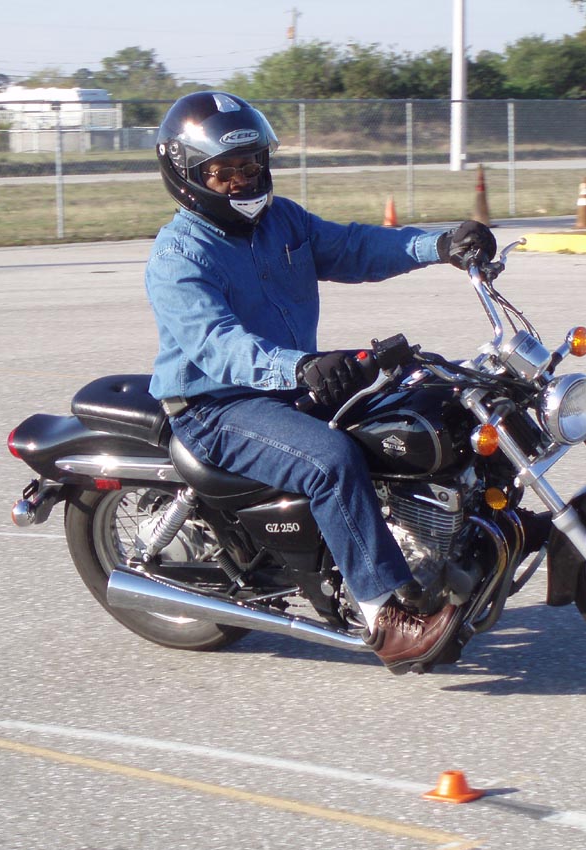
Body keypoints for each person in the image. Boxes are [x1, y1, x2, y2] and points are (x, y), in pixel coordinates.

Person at [145, 91, 496, 672]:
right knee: (331, 462)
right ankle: (385, 617)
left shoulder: (282, 221)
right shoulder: (179, 254)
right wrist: (299, 367)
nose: (242, 180)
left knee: (436, 399)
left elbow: (355, 247)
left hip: (284, 386)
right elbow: (217, 345)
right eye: (224, 172)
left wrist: (439, 245)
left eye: (250, 165)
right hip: (216, 405)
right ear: (188, 175)